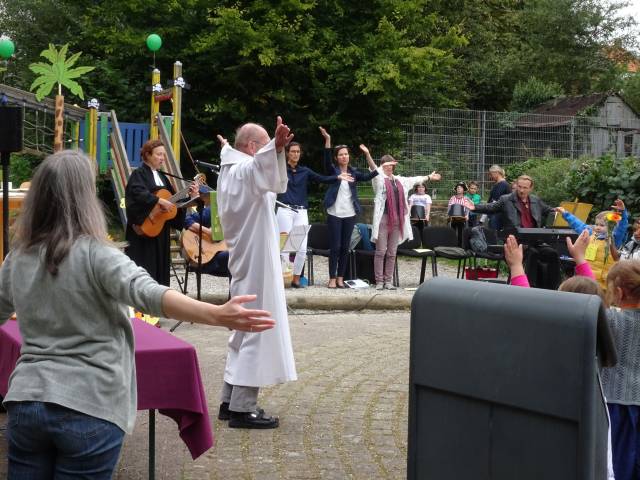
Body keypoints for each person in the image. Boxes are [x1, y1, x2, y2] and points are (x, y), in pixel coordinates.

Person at [0, 150, 275, 478]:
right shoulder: (97, 254)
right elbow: (153, 295)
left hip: (26, 403)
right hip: (89, 404)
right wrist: (217, 315)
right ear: (86, 198)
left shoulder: (17, 257)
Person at [216, 116, 297, 429]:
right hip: (254, 263)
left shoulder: (233, 171)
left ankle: (228, 399)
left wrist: (272, 149)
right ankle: (242, 407)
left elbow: (266, 178)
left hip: (250, 260)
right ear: (252, 147)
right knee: (255, 327)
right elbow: (257, 170)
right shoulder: (240, 171)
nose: (273, 154)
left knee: (243, 329)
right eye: (264, 146)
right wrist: (275, 147)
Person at [360, 145, 440, 290]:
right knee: (381, 251)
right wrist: (367, 154)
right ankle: (379, 281)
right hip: (383, 219)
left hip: (397, 219)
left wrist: (429, 177)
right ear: (383, 166)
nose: (389, 168)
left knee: (392, 252)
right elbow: (373, 169)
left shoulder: (399, 180)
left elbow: (415, 179)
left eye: (391, 165)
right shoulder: (378, 179)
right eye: (386, 165)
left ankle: (388, 281)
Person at [276, 141, 352, 288]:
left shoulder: (305, 171)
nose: (295, 154)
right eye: (292, 151)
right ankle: (283, 278)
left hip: (301, 211)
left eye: (298, 152)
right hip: (284, 210)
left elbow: (321, 178)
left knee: (302, 247)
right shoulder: (280, 169)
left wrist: (337, 177)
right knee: (285, 247)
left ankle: (296, 278)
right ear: (287, 153)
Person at [125, 139, 192, 286]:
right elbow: (136, 193)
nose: (162, 158)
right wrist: (158, 200)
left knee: (160, 272)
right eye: (158, 154)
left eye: (163, 155)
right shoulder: (138, 174)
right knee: (144, 269)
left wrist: (190, 196)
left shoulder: (163, 177)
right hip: (144, 231)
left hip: (161, 232)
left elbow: (173, 203)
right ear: (148, 155)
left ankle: (159, 302)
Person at [319, 127, 379, 289]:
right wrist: (328, 140)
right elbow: (326, 161)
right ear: (337, 158)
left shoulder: (354, 172)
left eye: (346, 154)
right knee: (336, 247)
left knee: (346, 247)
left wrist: (367, 154)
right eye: (341, 154)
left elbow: (371, 175)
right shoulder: (334, 171)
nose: (344, 156)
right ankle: (332, 277)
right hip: (334, 214)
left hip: (350, 214)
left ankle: (340, 277)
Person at [600, 260, 640, 480]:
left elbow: (585, 296)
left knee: (618, 462)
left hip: (616, 403)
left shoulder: (612, 320)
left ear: (619, 292)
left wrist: (580, 261)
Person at [557, 199, 628, 290]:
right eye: (596, 224)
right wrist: (564, 213)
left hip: (605, 285)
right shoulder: (591, 233)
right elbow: (577, 224)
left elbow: (622, 226)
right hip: (587, 279)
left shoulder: (615, 237)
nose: (597, 227)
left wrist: (622, 212)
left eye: (602, 225)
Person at [467, 175, 554, 230]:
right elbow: (491, 207)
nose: (521, 190)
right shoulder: (506, 199)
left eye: (525, 188)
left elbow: (549, 210)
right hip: (514, 237)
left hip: (533, 238)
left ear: (531, 188)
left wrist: (560, 211)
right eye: (519, 187)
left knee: (549, 253)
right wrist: (475, 207)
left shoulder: (536, 200)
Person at [183, 184, 230, 278]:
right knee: (238, 255)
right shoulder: (214, 211)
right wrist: (209, 233)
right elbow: (186, 220)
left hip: (227, 255)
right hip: (208, 258)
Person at [486, 165, 511, 230]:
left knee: (495, 236)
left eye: (491, 174)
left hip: (499, 216)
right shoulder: (495, 185)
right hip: (493, 214)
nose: (490, 176)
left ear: (497, 173)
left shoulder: (505, 185)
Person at [448, 182, 470, 246]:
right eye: (458, 187)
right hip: (453, 218)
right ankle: (452, 245)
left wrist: (467, 215)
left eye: (460, 188)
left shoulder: (466, 198)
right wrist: (449, 215)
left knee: (461, 233)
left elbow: (467, 208)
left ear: (463, 190)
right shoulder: (452, 198)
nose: (459, 189)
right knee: (452, 232)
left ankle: (460, 246)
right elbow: (449, 207)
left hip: (462, 218)